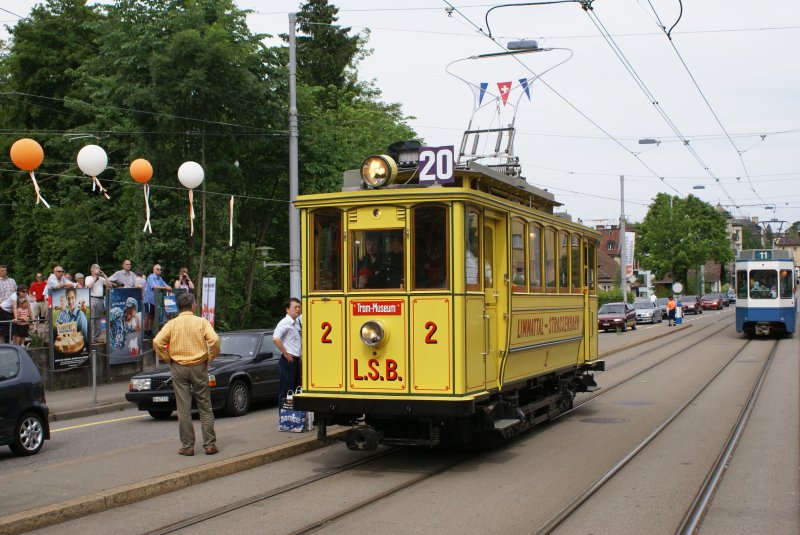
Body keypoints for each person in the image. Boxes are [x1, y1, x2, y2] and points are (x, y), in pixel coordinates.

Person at [152, 292, 220, 456]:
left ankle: (188, 446)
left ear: (179, 307)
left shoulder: (172, 324)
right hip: (199, 366)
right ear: (192, 306)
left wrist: (167, 358)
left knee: (183, 408)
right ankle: (210, 445)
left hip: (179, 367)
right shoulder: (201, 322)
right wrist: (209, 358)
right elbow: (215, 341)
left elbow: (157, 342)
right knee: (204, 406)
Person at [273, 297, 302, 404]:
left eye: (299, 307)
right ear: (287, 309)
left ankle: (294, 417)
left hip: (295, 361)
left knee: (296, 390)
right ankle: (285, 418)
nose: (298, 309)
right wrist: (285, 353)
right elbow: (275, 339)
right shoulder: (285, 322)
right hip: (288, 361)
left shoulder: (296, 323)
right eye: (295, 307)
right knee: (286, 391)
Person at [143, 264, 171, 337]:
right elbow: (155, 287)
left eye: (160, 269)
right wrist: (165, 288)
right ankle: (145, 331)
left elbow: (165, 285)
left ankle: (150, 331)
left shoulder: (160, 278)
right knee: (148, 315)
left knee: (153, 316)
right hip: (149, 299)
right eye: (157, 269)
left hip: (156, 300)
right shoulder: (151, 277)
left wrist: (169, 287)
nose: (159, 270)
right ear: (154, 270)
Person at [85, 264, 111, 343]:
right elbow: (89, 287)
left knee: (98, 319)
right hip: (92, 298)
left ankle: (96, 337)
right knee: (92, 318)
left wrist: (104, 275)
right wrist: (95, 277)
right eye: (96, 269)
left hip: (100, 299)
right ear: (92, 270)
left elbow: (109, 284)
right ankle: (90, 338)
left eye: (99, 269)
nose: (98, 270)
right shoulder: (88, 278)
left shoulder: (101, 278)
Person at [0, 265, 17, 342]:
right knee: (2, 330)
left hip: (13, 307)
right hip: (2, 308)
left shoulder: (12, 281)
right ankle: (2, 346)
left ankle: (15, 346)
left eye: (5, 270)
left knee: (14, 329)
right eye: (3, 270)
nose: (4, 272)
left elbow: (16, 292)